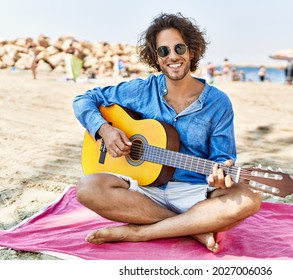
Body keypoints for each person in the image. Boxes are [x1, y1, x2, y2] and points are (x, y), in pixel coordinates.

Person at [72, 13, 262, 252]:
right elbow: (84, 99)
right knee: (87, 188)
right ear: (156, 58)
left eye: (179, 48)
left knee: (249, 198)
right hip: (143, 190)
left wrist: (220, 173)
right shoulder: (142, 90)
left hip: (194, 192)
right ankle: (192, 227)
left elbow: (221, 158)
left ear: (191, 51)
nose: (172, 56)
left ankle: (140, 232)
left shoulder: (218, 102)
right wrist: (104, 130)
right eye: (164, 51)